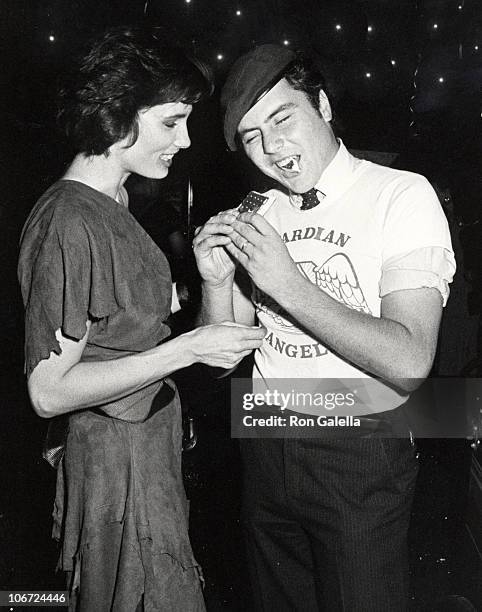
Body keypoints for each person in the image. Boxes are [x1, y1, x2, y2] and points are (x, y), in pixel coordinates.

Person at [193, 45, 456, 611]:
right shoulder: (258, 207)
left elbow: (411, 361)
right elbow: (222, 355)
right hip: (264, 440)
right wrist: (217, 283)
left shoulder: (401, 194)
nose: (272, 148)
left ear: (324, 105)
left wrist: (287, 283)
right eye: (253, 135)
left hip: (358, 445)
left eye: (283, 118)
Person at [17, 27, 265, 612]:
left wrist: (204, 279)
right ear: (117, 113)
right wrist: (188, 349)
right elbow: (48, 392)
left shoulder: (116, 202)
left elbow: (118, 316)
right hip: (113, 463)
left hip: (145, 450)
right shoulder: (67, 220)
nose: (183, 141)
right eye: (171, 122)